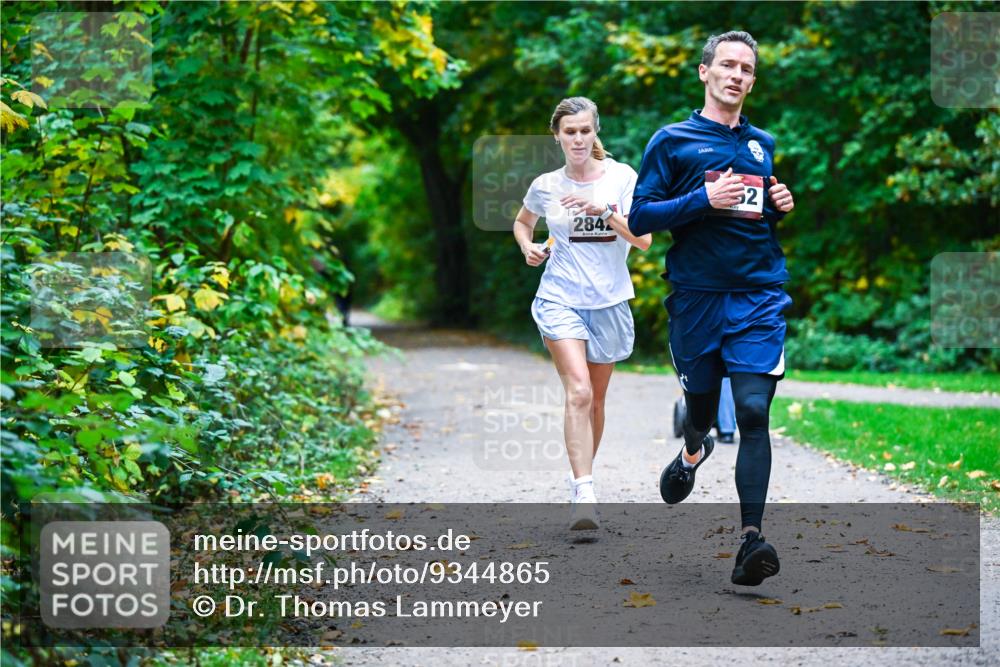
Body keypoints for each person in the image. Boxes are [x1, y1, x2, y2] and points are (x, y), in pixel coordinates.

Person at [628, 31, 795, 585]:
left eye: (746, 68)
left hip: (758, 295)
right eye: (727, 65)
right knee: (700, 410)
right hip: (697, 300)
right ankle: (693, 449)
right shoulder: (672, 141)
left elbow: (753, 219)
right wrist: (702, 199)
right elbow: (642, 217)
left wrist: (778, 206)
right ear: (705, 72)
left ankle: (752, 542)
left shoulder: (761, 143)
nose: (737, 75)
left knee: (752, 411)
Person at [513, 97, 652, 531]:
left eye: (584, 130)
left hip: (609, 300)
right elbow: (522, 222)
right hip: (559, 297)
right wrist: (528, 247)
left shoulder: (623, 177)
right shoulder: (545, 185)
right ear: (556, 135)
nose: (577, 138)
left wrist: (606, 212)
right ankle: (584, 490)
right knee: (577, 392)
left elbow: (643, 240)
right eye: (569, 131)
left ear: (595, 133)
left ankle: (581, 481)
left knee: (596, 398)